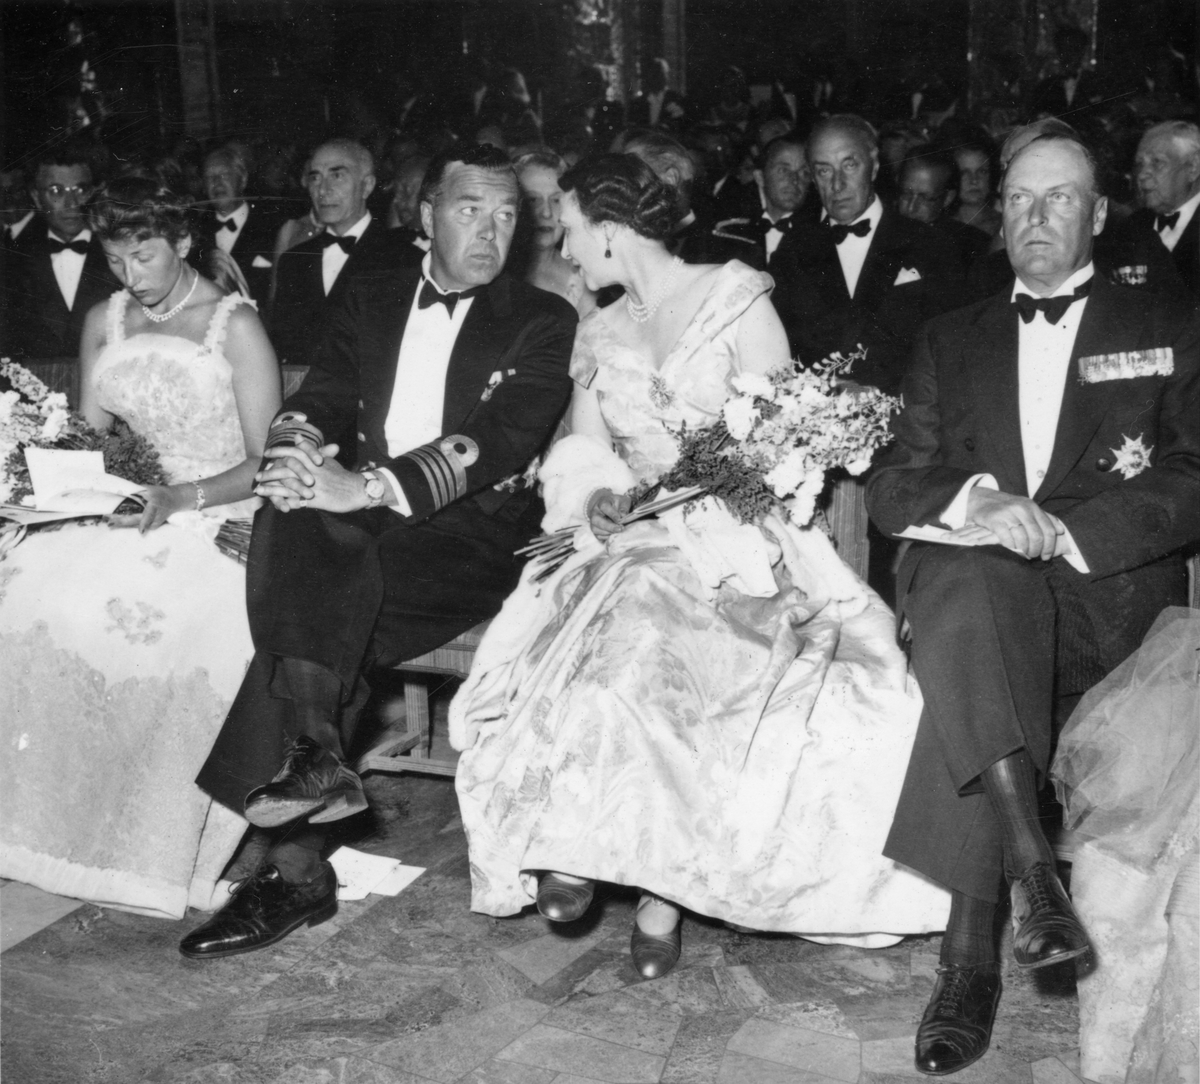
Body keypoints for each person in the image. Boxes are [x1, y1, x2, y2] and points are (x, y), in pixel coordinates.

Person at [450, 153, 950, 983]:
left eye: (568, 230)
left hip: (738, 535)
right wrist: (599, 498)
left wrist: (708, 487)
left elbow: (780, 437)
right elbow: (584, 450)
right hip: (636, 539)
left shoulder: (734, 295)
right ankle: (576, 843)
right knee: (618, 626)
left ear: (610, 228)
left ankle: (660, 895)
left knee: (662, 634)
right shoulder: (598, 329)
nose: (563, 249)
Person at [180, 142, 577, 960]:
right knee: (291, 512)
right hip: (359, 519)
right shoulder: (372, 293)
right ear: (427, 215)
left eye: (506, 215)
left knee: (325, 604)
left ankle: (296, 862)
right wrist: (294, 458)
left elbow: (498, 440)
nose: (490, 231)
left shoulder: (543, 318)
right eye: (470, 210)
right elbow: (322, 394)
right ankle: (315, 769)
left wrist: (364, 487)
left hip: (469, 534)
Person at [865, 134, 1200, 1076]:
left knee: (968, 660)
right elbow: (893, 486)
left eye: (1059, 198)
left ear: (1099, 213)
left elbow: (1194, 468)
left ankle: (970, 957)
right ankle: (1033, 876)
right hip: (979, 585)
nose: (1035, 217)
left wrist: (1068, 534)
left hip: (1106, 591)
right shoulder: (951, 335)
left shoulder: (1169, 320)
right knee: (972, 585)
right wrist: (978, 503)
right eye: (1017, 198)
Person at [0, 177, 283, 919]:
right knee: (27, 592)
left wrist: (181, 497)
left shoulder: (234, 325)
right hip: (134, 505)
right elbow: (89, 439)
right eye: (116, 259)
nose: (131, 275)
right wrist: (44, 485)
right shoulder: (106, 319)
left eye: (145, 255)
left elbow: (267, 459)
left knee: (156, 630)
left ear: (183, 241)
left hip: (218, 509)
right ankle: (40, 824)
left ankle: (144, 845)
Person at [269, 138, 411, 367]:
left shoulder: (403, 258)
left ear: (367, 186)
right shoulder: (293, 260)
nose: (323, 190)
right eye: (315, 178)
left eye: (337, 176)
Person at [4, 147, 119, 359]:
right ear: (36, 197)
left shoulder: (120, 253)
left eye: (80, 190)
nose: (71, 204)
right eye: (56, 191)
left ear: (94, 192)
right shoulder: (12, 260)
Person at [193, 145, 284, 309]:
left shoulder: (273, 227)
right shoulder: (195, 232)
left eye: (224, 175)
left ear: (243, 180)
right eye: (209, 177)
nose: (217, 182)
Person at [1117, 121, 1200, 295]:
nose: (1142, 175)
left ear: (1193, 168)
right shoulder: (1130, 227)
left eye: (1157, 162)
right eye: (1139, 164)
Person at [710, 135, 813, 270]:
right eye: (783, 170)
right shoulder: (734, 232)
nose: (794, 179)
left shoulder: (818, 238)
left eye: (804, 172)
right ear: (760, 177)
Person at [514, 150, 597, 316]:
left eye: (556, 200)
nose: (546, 213)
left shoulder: (585, 276)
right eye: (532, 200)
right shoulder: (496, 275)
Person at [895, 147, 989, 267]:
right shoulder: (882, 234)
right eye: (906, 193)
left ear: (947, 198)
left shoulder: (971, 247)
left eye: (924, 198)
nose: (911, 208)